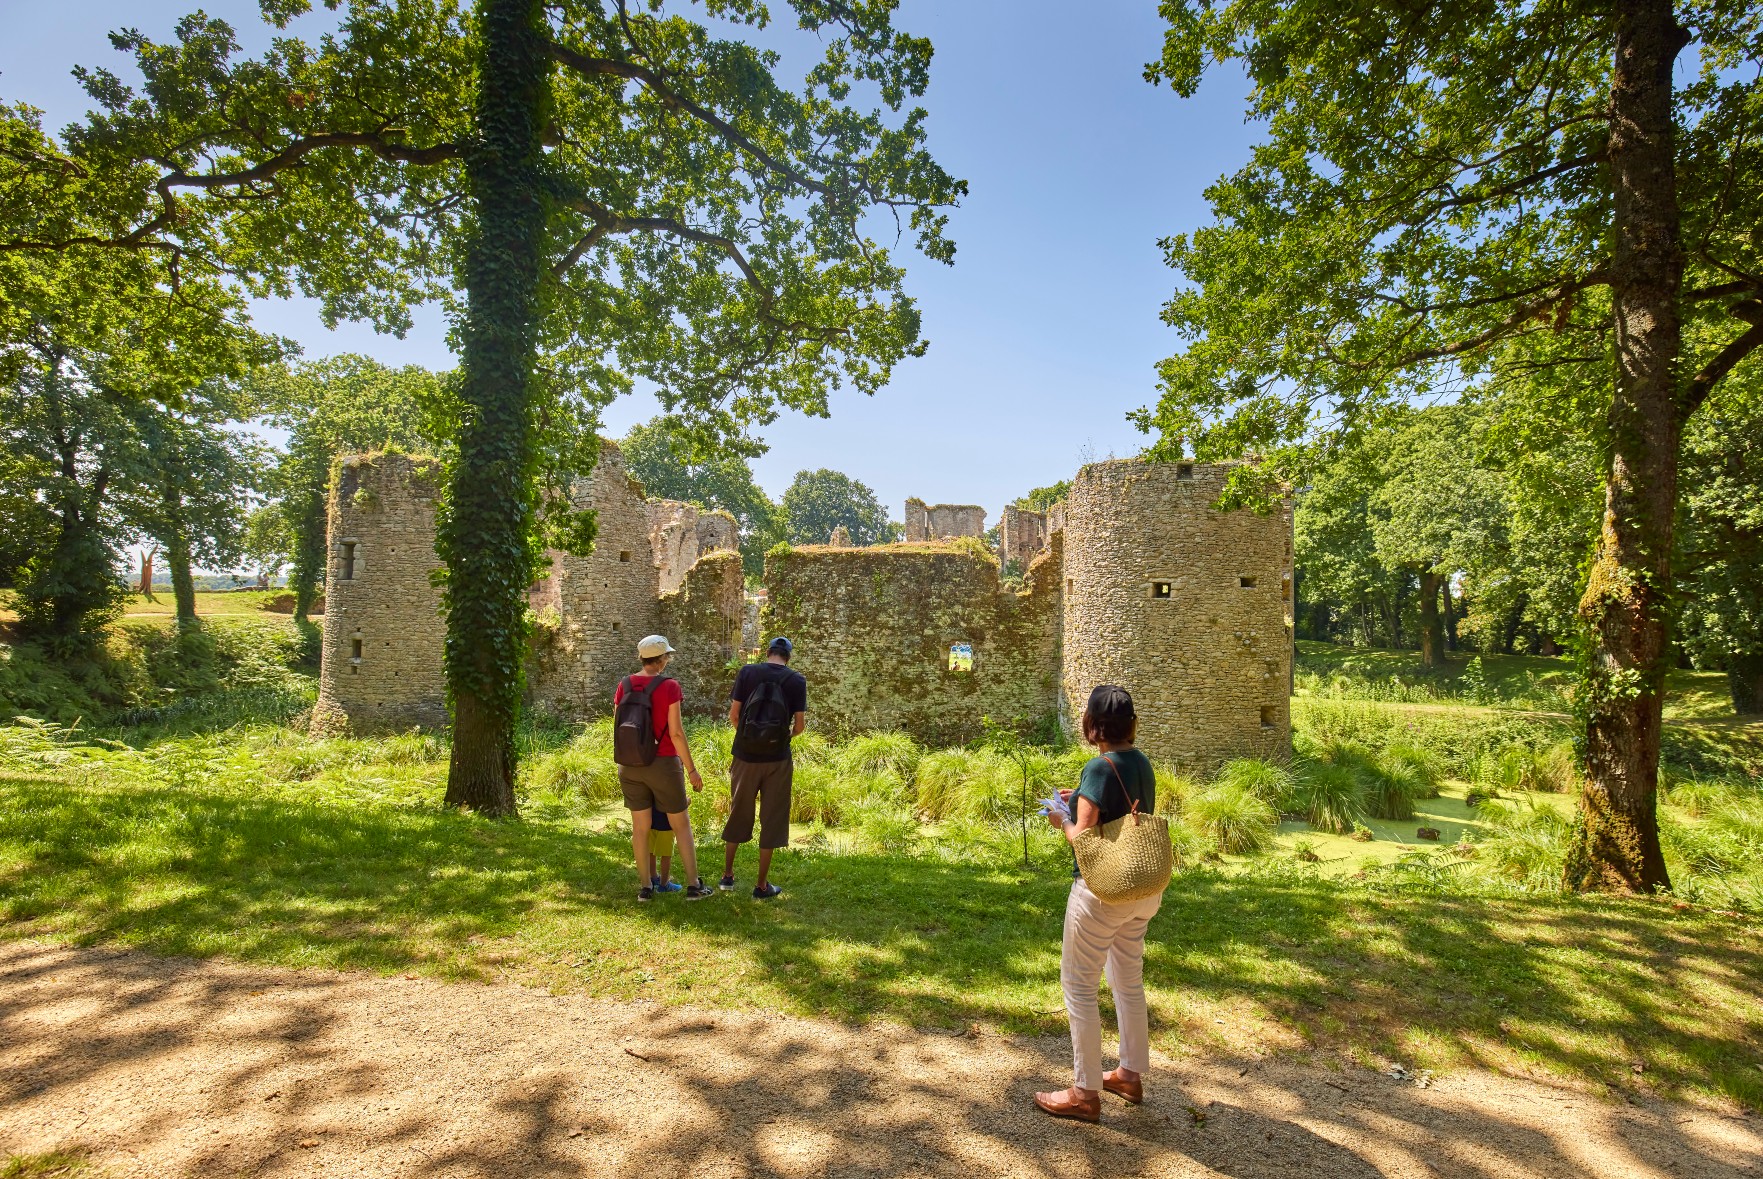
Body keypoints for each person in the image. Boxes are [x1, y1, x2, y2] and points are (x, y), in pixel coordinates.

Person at [1035, 684, 1160, 1123]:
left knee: (1080, 988)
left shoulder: (1098, 767)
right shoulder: (1140, 761)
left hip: (1102, 893)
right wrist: (1082, 802)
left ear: (1091, 726)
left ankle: (1084, 1092)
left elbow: (1084, 840)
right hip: (1144, 890)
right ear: (1132, 725)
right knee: (1128, 981)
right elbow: (1118, 816)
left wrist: (1060, 819)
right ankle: (1128, 1073)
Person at [613, 635, 713, 901]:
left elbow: (618, 726)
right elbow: (676, 733)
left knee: (640, 829)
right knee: (681, 825)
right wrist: (691, 770)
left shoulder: (624, 685)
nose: (668, 659)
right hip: (663, 763)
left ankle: (646, 888)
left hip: (630, 764)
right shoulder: (669, 687)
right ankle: (694, 885)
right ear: (661, 659)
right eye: (667, 655)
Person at [720, 636, 807, 899]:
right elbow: (799, 727)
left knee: (739, 810)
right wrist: (778, 739)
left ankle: (727, 876)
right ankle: (761, 885)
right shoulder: (796, 680)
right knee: (773, 817)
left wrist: (749, 737)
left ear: (767, 652)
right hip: (777, 760)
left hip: (745, 757)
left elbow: (734, 716)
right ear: (788, 657)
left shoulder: (747, 672)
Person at [645, 806, 681, 893]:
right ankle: (664, 884)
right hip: (666, 824)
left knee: (650, 851)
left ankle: (653, 878)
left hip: (650, 821)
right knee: (666, 855)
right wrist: (686, 802)